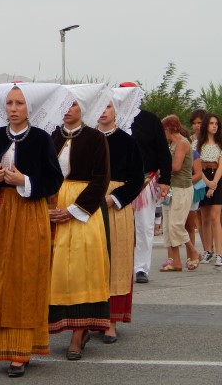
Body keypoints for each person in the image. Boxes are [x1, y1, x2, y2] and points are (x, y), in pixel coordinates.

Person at [0, 82, 67, 378]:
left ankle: (22, 351)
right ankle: (7, 347)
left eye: (19, 104)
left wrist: (24, 180)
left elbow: (54, 179)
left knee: (25, 277)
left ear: (29, 108)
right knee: (1, 277)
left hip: (28, 213)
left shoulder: (40, 139)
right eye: (10, 103)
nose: (13, 109)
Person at [48, 83, 112, 361]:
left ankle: (79, 332)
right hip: (53, 206)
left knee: (84, 268)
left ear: (83, 108)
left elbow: (101, 180)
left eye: (72, 104)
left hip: (85, 209)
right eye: (63, 104)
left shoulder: (97, 138)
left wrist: (73, 210)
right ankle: (58, 325)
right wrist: (49, 205)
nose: (67, 109)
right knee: (57, 268)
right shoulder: (51, 137)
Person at [96, 89, 145, 343]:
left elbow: (138, 178)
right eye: (100, 107)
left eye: (109, 107)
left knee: (117, 260)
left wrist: (114, 198)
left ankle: (111, 322)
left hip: (116, 207)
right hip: (88, 204)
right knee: (93, 261)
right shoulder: (87, 139)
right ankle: (91, 316)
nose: (104, 111)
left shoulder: (127, 142)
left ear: (117, 111)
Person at [119, 82, 172, 284]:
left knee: (144, 226)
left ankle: (141, 268)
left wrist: (165, 180)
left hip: (145, 181)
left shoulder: (150, 120)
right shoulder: (112, 118)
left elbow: (162, 152)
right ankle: (118, 266)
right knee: (118, 227)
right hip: (117, 183)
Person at [159, 115, 199, 271]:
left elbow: (175, 167)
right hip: (171, 188)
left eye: (163, 130)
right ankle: (176, 261)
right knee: (169, 226)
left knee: (176, 224)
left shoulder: (182, 143)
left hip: (181, 188)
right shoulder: (172, 144)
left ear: (169, 128)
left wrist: (160, 168)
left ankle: (194, 252)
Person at [196, 112, 222, 266]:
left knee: (215, 217)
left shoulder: (220, 144)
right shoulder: (197, 145)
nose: (214, 126)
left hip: (217, 179)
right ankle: (208, 250)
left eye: (216, 124)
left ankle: (219, 253)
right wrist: (206, 182)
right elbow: (197, 166)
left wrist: (214, 183)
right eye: (212, 123)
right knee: (204, 217)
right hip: (202, 179)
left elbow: (221, 166)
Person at [187, 109, 207, 256]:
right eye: (194, 123)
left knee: (214, 216)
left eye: (199, 122)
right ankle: (206, 248)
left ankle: (213, 247)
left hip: (211, 178)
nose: (197, 126)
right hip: (197, 181)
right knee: (198, 217)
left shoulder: (213, 139)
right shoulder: (190, 140)